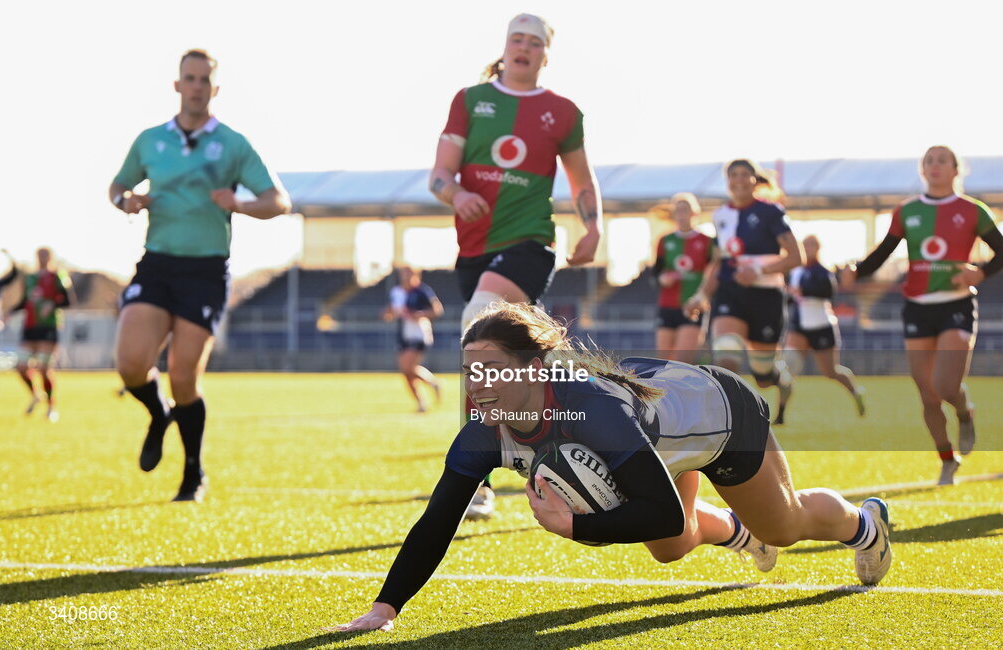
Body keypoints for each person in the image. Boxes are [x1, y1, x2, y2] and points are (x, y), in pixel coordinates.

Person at [330, 302, 892, 633]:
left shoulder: (590, 412)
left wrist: (573, 527)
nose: (477, 385)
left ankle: (866, 526)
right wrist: (386, 607)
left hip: (721, 417)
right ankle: (737, 531)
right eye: (470, 370)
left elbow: (663, 512)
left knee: (786, 527)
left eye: (493, 370)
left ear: (535, 370)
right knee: (673, 549)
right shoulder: (484, 431)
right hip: (658, 437)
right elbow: (437, 520)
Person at [428, 13, 602, 519]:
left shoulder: (563, 112)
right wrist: (456, 193)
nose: (523, 48)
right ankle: (567, 447)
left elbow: (582, 180)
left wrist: (592, 227)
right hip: (474, 249)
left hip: (530, 242)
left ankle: (474, 479)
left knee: (475, 326)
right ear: (504, 49)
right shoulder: (469, 101)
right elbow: (439, 176)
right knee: (524, 360)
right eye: (516, 39)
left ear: (545, 55)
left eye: (534, 42)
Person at [108, 49, 291, 502]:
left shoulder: (232, 144)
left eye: (203, 79)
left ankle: (193, 473)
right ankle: (158, 414)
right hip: (157, 263)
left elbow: (278, 201)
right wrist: (126, 201)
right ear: (177, 85)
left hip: (206, 271)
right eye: (188, 78)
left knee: (184, 376)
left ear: (215, 88)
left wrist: (241, 204)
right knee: (131, 364)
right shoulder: (151, 140)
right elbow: (117, 186)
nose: (195, 86)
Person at [843, 146, 1003, 485]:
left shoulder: (973, 210)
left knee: (946, 386)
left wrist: (979, 272)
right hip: (918, 306)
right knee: (926, 391)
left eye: (942, 161)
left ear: (955, 170)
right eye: (929, 161)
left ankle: (965, 412)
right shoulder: (907, 211)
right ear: (923, 170)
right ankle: (947, 458)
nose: (935, 166)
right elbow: (882, 253)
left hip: (957, 305)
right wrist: (856, 271)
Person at [702, 159, 803, 425]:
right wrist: (701, 294)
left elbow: (795, 257)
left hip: (766, 298)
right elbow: (717, 261)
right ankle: (734, 423)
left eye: (744, 174)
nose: (738, 179)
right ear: (727, 181)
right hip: (730, 293)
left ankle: (781, 380)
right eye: (733, 174)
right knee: (726, 355)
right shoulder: (720, 216)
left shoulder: (772, 213)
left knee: (762, 374)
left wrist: (758, 272)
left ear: (754, 180)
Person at [784, 235, 866, 416]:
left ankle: (856, 392)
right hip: (800, 326)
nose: (807, 249)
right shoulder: (795, 271)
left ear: (818, 248)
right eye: (804, 246)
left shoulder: (823, 271)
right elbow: (791, 297)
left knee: (830, 372)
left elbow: (828, 292)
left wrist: (804, 291)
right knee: (788, 369)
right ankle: (780, 414)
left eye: (811, 246)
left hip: (821, 325)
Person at [4, 247, 73, 422]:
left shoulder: (58, 275)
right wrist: (10, 311)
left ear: (51, 257)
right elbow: (25, 301)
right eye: (39, 255)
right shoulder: (30, 278)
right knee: (20, 367)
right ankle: (36, 395)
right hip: (29, 327)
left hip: (48, 328)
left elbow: (67, 300)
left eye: (45, 255)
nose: (42, 258)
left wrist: (52, 304)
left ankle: (51, 407)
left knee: (43, 369)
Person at [652, 193, 717, 364]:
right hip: (667, 306)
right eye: (678, 210)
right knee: (662, 363)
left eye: (685, 210)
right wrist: (662, 279)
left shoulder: (707, 241)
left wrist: (704, 297)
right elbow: (655, 275)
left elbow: (714, 272)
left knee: (682, 362)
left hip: (693, 306)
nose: (681, 214)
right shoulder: (665, 241)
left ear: (694, 213)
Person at [384, 267, 444, 412]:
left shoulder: (422, 291)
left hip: (419, 333)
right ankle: (423, 399)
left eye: (408, 273)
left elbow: (437, 310)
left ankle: (431, 386)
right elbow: (392, 311)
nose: (405, 276)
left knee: (407, 367)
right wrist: (388, 313)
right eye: (403, 273)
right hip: (403, 334)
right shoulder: (396, 292)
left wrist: (420, 314)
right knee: (406, 372)